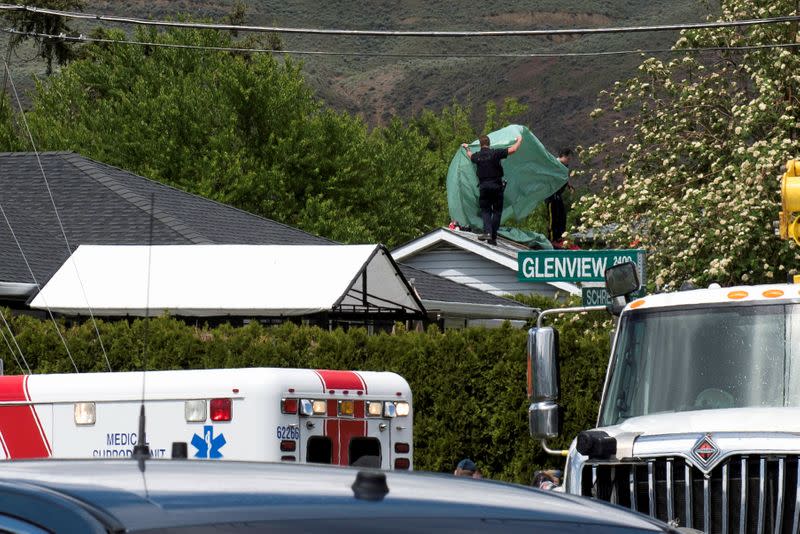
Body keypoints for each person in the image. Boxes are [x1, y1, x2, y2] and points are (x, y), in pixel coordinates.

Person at [462, 134, 522, 246]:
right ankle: (492, 237)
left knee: (486, 211)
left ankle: (488, 233)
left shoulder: (477, 156)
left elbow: (470, 156)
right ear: (489, 144)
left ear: (480, 145)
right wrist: (519, 140)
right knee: (497, 212)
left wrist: (467, 148)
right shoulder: (495, 153)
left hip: (484, 187)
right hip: (497, 186)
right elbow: (513, 149)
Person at [545, 148, 573, 248]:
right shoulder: (554, 163)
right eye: (568, 158)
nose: (569, 161)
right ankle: (552, 239)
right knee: (553, 217)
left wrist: (570, 185)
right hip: (550, 194)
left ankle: (560, 237)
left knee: (562, 216)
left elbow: (566, 176)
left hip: (558, 194)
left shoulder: (565, 166)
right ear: (563, 156)